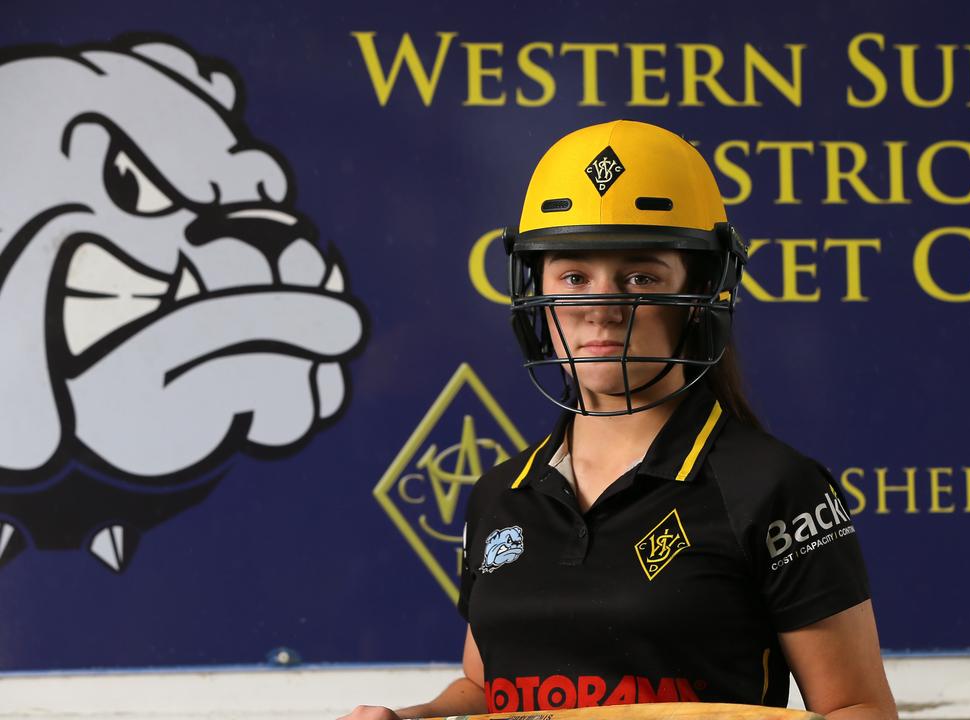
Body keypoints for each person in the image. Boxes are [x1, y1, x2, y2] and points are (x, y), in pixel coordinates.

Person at [341, 120, 897, 720]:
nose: (601, 308)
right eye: (574, 277)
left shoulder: (772, 487)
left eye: (640, 277)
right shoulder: (502, 495)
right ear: (539, 295)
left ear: (704, 292)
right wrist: (411, 718)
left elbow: (859, 710)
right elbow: (488, 689)